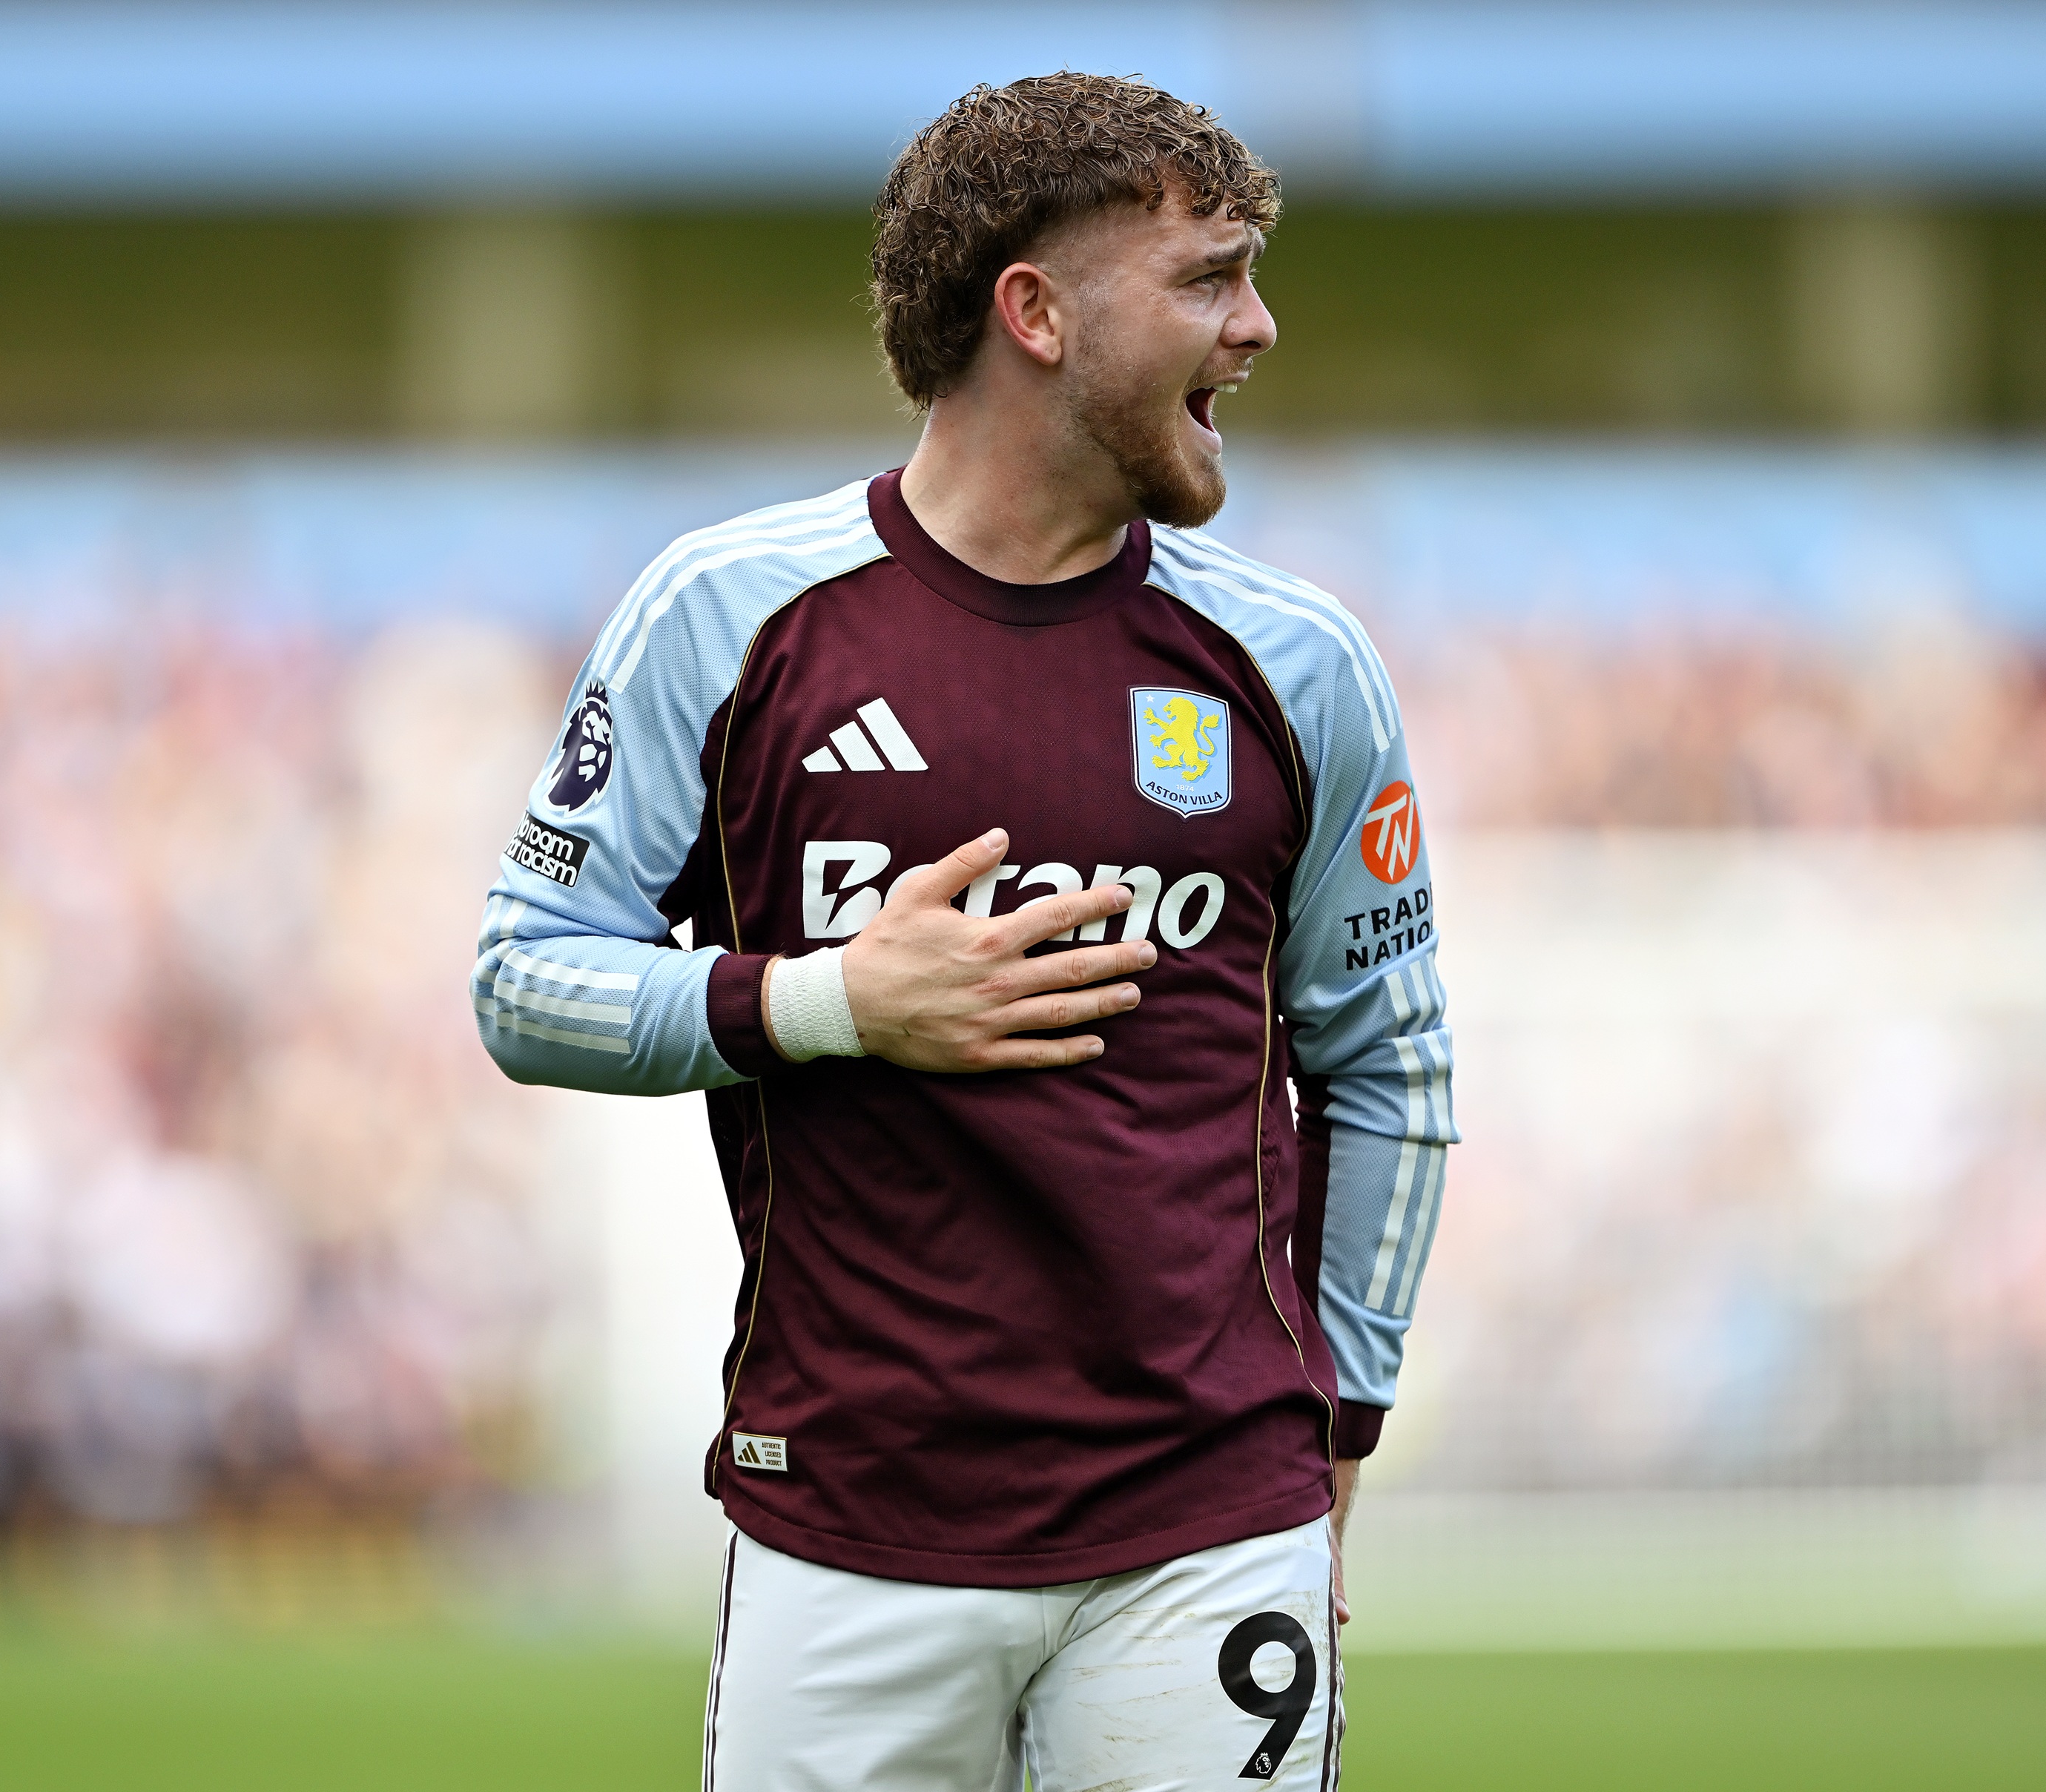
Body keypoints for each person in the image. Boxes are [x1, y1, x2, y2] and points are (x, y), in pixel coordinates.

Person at [472, 72, 1454, 1792]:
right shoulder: (730, 614)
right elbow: (523, 978)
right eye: (1210, 278)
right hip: (843, 1524)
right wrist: (831, 999)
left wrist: (1341, 1436)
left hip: (1202, 1528)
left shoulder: (1302, 666)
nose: (1259, 324)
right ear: (1038, 313)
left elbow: (1392, 1069)